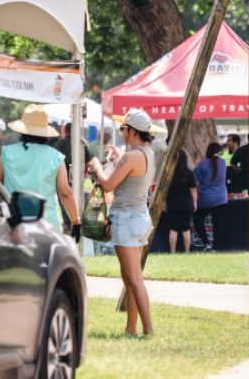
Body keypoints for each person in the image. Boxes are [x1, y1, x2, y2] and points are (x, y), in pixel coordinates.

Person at [86, 108, 156, 336]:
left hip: (126, 219)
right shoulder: (147, 153)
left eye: (123, 128)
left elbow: (108, 185)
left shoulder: (131, 156)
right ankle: (131, 328)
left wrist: (97, 166)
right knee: (131, 278)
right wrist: (118, 158)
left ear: (133, 131)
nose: (122, 131)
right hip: (140, 217)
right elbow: (126, 174)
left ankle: (148, 329)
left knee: (133, 279)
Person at [0, 105, 81, 238]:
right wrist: (75, 221)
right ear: (45, 134)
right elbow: (65, 192)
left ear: (22, 131)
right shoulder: (56, 157)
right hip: (46, 223)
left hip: (14, 222)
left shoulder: (6, 152)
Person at [193, 141, 227, 251]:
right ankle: (217, 247)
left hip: (205, 198)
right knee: (218, 223)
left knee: (197, 219)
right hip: (221, 197)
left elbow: (196, 183)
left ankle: (206, 243)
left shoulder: (202, 164)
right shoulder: (223, 163)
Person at [163, 148, 197, 253]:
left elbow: (163, 190)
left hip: (171, 203)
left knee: (173, 229)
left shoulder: (167, 174)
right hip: (186, 203)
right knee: (186, 229)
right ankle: (187, 252)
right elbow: (193, 191)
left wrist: (163, 202)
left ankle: (172, 251)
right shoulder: (188, 173)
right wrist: (195, 203)